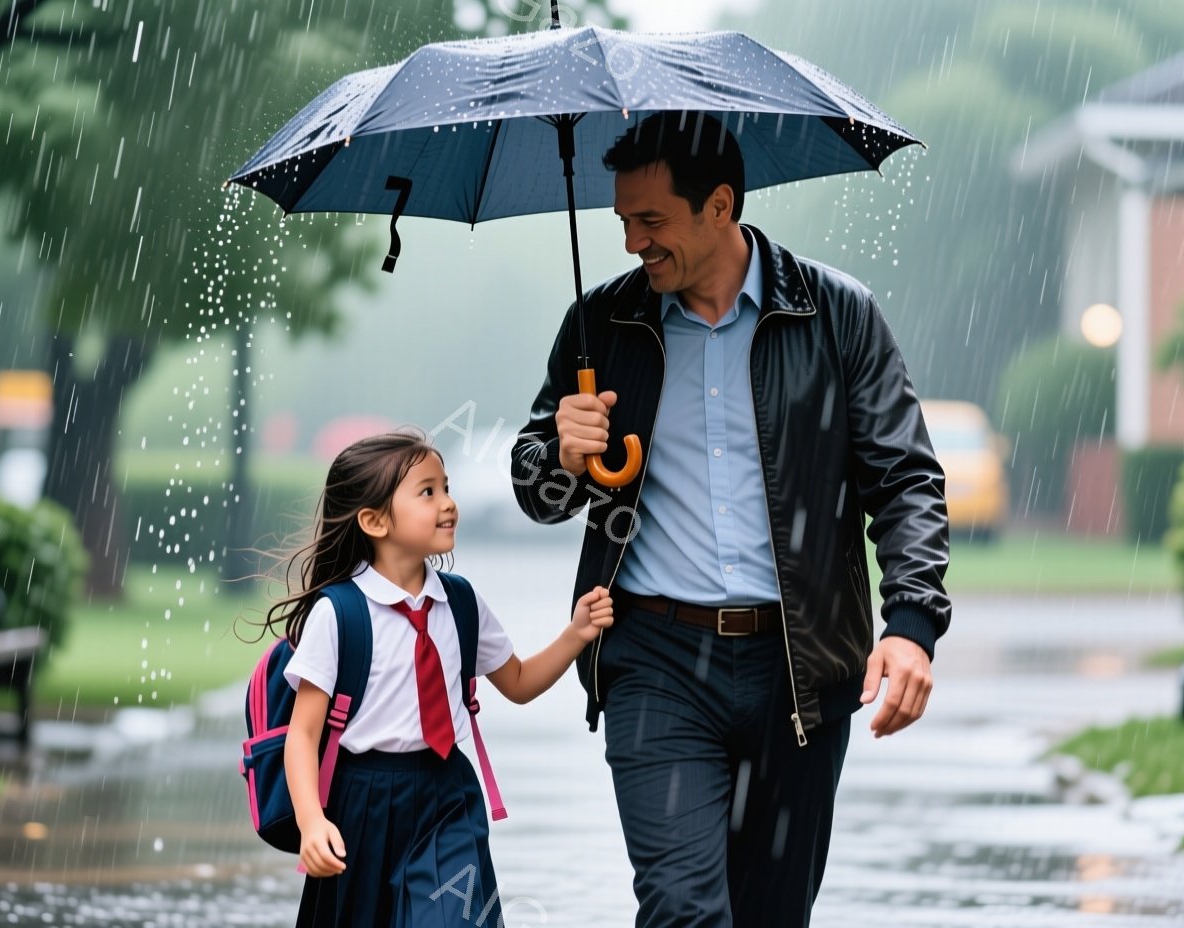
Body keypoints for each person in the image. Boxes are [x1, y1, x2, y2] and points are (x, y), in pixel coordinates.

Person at [511, 112, 953, 927]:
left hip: (801, 662)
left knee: (770, 915)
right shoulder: (599, 326)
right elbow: (536, 492)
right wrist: (562, 458)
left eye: (651, 221)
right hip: (653, 660)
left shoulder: (837, 314)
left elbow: (905, 479)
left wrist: (913, 623)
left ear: (719, 207)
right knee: (683, 909)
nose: (633, 243)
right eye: (622, 222)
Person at [267, 428, 613, 928]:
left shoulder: (460, 603)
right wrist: (311, 821)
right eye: (427, 492)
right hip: (361, 804)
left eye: (446, 487)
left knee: (457, 919)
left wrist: (575, 635)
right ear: (374, 520)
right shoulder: (338, 613)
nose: (448, 503)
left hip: (447, 798)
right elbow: (302, 735)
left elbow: (516, 682)